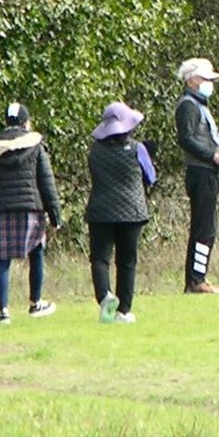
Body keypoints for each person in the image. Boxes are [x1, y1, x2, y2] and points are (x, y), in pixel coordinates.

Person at [0, 102, 63, 324]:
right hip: (30, 208)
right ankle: (35, 303)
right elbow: (46, 181)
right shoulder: (35, 145)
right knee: (36, 252)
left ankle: (3, 311)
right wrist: (54, 213)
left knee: (2, 260)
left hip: (1, 209)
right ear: (26, 122)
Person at [86, 101, 156, 323]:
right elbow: (150, 177)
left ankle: (104, 294)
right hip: (132, 212)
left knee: (100, 258)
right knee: (127, 262)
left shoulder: (95, 152)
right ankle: (123, 311)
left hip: (101, 210)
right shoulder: (137, 149)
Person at [175, 58, 219, 294]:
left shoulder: (200, 106)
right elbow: (186, 139)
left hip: (207, 170)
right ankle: (197, 281)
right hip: (200, 171)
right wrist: (213, 155)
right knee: (204, 228)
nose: (209, 84)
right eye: (205, 79)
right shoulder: (187, 105)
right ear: (191, 81)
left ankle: (197, 278)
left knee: (205, 227)